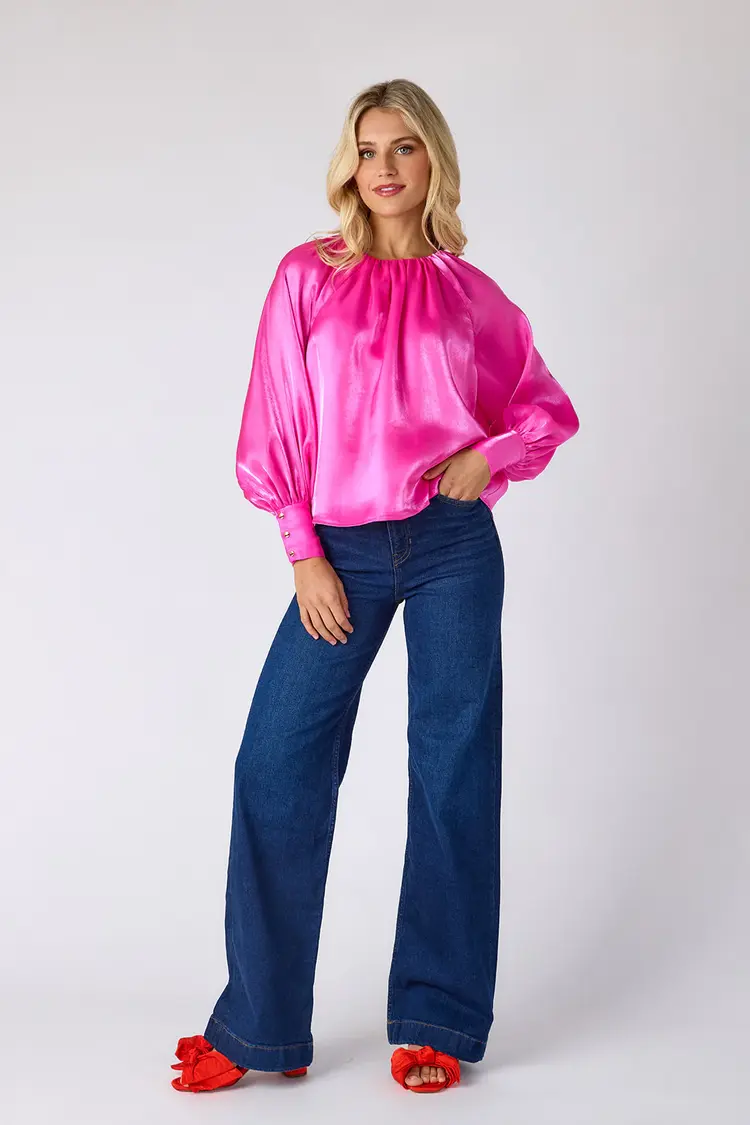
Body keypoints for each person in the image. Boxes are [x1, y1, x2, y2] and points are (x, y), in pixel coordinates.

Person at [169, 77, 579, 1096]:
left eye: (403, 148)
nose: (384, 168)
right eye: (367, 149)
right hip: (340, 553)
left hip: (450, 548)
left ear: (433, 159)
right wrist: (302, 551)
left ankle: (436, 1016)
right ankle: (260, 1022)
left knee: (452, 770)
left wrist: (490, 457)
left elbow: (543, 409)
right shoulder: (308, 275)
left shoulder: (473, 296)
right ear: (348, 165)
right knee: (276, 761)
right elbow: (276, 419)